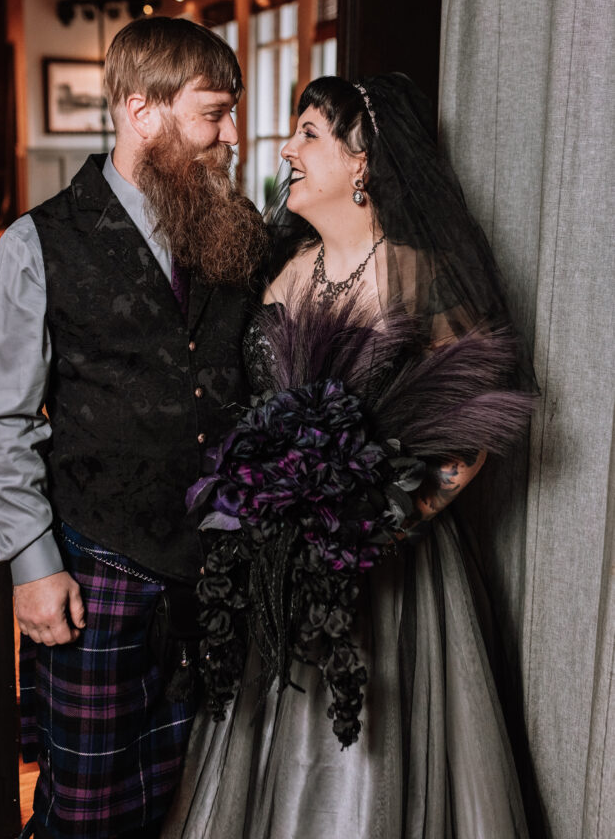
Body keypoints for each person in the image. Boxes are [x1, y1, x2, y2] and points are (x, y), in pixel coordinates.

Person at [163, 74, 536, 838]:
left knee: (367, 753)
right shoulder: (281, 269)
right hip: (277, 565)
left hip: (387, 570)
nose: (286, 149)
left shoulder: (413, 273)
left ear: (362, 161)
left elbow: (473, 427)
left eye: (308, 134)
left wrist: (373, 527)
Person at [0, 16, 268, 839]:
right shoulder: (37, 242)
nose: (231, 135)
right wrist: (33, 567)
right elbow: (0, 418)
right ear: (143, 112)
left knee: (202, 806)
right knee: (89, 814)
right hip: (98, 572)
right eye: (213, 113)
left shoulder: (233, 230)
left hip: (220, 575)